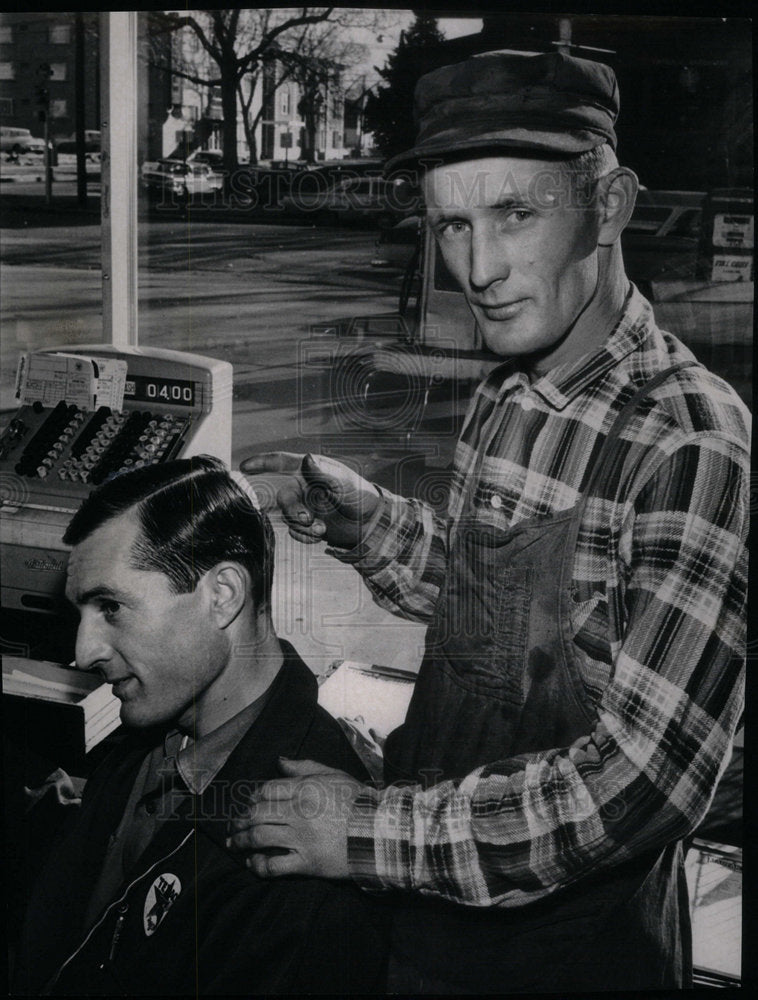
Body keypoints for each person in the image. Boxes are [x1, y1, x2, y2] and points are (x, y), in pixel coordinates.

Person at [232, 50, 749, 993]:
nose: (478, 268)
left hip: (572, 956)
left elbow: (639, 787)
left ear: (610, 205)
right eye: (451, 225)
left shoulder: (691, 446)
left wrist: (362, 831)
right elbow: (511, 618)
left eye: (517, 214)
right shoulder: (509, 389)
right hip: (436, 918)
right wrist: (368, 523)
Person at [12, 455, 390, 996]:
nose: (82, 652)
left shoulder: (300, 859)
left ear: (223, 595)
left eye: (111, 607)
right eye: (81, 613)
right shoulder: (153, 724)